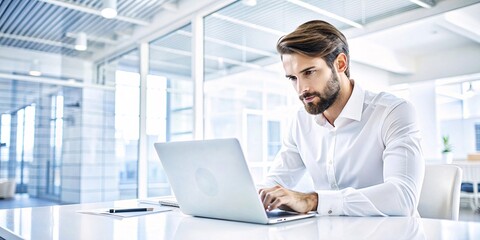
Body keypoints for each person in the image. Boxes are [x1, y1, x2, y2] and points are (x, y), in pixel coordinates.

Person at [258, 20, 424, 217]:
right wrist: (253, 197)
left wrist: (313, 201)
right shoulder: (301, 122)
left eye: (309, 72)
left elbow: (403, 197)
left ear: (340, 63)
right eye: (293, 78)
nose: (301, 89)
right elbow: (276, 181)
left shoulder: (393, 112)